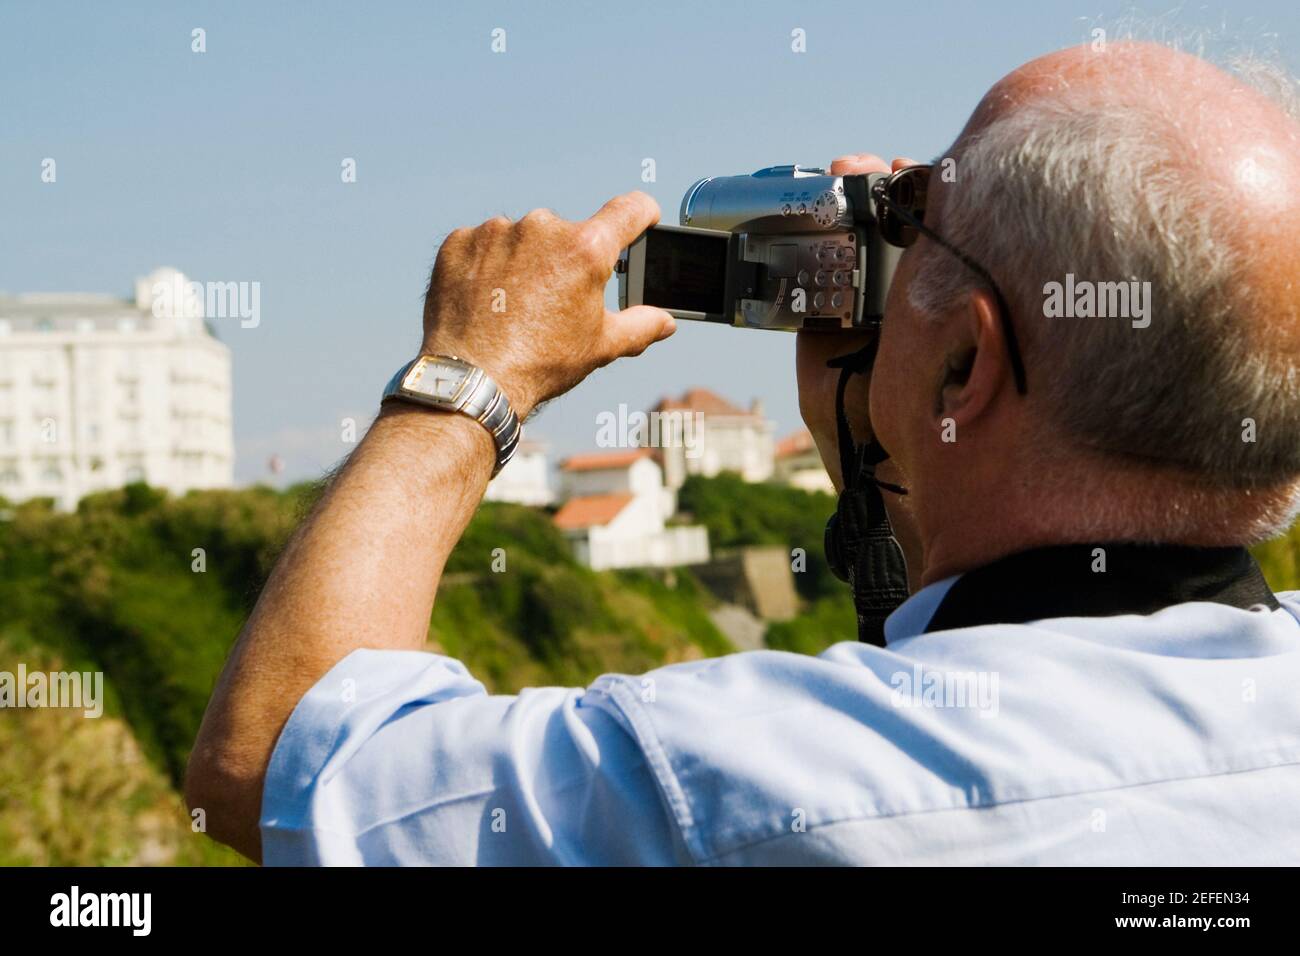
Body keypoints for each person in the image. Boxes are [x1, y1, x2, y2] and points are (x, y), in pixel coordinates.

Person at [186, 40, 1300, 865]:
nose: (886, 247)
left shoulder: (734, 782)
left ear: (968, 360)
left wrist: (471, 376)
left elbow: (284, 764)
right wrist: (898, 426)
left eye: (909, 214)